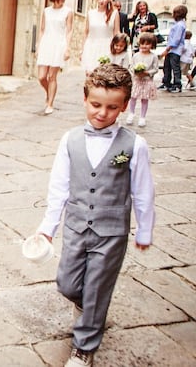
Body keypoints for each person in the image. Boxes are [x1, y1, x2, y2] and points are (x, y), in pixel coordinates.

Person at [36, 64, 155, 367]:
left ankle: (84, 347)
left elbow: (143, 191)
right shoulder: (70, 139)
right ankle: (87, 306)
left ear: (124, 106)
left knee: (99, 285)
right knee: (67, 283)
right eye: (96, 104)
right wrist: (48, 227)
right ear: (84, 99)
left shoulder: (134, 145)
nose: (102, 113)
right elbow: (59, 186)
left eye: (112, 107)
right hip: (76, 226)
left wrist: (144, 230)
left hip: (112, 231)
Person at [36, 0, 73, 115]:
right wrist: (38, 45)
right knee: (41, 77)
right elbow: (42, 29)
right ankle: (48, 93)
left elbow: (69, 31)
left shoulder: (68, 12)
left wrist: (67, 48)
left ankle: (50, 103)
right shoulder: (46, 11)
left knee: (52, 76)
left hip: (59, 44)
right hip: (46, 43)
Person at [80, 0, 119, 73]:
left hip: (107, 47)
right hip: (91, 46)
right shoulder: (91, 13)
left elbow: (116, 33)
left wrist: (117, 49)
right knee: (90, 74)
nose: (102, 1)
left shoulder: (114, 13)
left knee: (103, 74)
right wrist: (82, 50)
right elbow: (86, 32)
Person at [125, 32, 159, 127]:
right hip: (137, 80)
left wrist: (147, 72)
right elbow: (131, 66)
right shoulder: (136, 55)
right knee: (133, 97)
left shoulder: (153, 56)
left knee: (144, 99)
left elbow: (156, 69)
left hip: (147, 80)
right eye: (142, 43)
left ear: (152, 45)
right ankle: (131, 113)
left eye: (147, 44)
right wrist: (135, 71)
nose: (144, 46)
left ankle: (142, 117)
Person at [159, 4, 188, 93]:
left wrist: (168, 49)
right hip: (171, 49)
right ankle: (166, 82)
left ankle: (177, 84)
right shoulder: (178, 24)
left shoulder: (180, 25)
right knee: (167, 66)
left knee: (175, 67)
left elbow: (176, 39)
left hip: (175, 50)